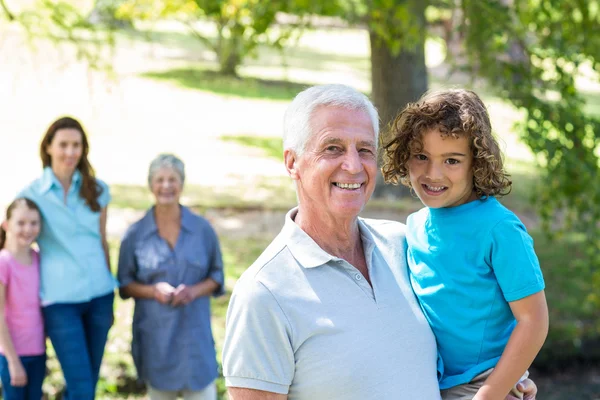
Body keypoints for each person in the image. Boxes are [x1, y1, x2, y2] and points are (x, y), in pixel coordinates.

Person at [222, 84, 538, 400]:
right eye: (332, 147)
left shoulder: (403, 245)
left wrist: (506, 384)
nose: (353, 165)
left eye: (364, 149)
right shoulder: (264, 293)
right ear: (292, 162)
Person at [381, 89, 548, 400]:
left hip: (482, 382)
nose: (433, 173)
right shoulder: (415, 225)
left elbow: (534, 320)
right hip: (429, 381)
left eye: (452, 160)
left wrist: (490, 394)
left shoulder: (500, 229)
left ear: (477, 162)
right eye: (421, 157)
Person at [18, 116, 116, 400]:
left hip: (100, 296)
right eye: (63, 145)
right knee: (82, 388)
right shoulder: (31, 195)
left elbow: (102, 241)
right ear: (48, 147)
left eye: (77, 145)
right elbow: (10, 237)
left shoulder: (98, 190)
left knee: (86, 384)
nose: (70, 152)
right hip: (61, 302)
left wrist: (109, 286)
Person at [117, 154, 225, 400]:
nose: (166, 186)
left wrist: (194, 290)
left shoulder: (202, 230)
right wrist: (153, 291)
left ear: (182, 184)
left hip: (195, 342)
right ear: (150, 185)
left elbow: (217, 276)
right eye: (160, 180)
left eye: (172, 180)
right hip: (157, 341)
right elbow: (125, 284)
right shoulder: (135, 235)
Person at [0, 198, 45, 400]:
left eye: (34, 223)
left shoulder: (38, 258)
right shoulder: (4, 262)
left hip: (37, 352)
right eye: (21, 222)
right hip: (11, 355)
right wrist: (13, 361)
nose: (28, 229)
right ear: (6, 225)